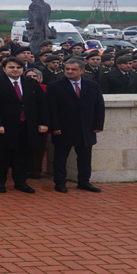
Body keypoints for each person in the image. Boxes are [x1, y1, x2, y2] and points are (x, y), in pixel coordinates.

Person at [0, 57, 48, 193]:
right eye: (11, 67)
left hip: (27, 126)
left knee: (24, 157)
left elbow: (42, 104)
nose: (15, 70)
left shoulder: (31, 83)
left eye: (18, 67)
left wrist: (43, 122)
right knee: (2, 157)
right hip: (4, 127)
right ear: (4, 69)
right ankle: (0, 183)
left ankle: (20, 182)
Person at [46, 58, 105, 193]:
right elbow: (51, 109)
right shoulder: (54, 86)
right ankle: (60, 182)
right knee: (60, 158)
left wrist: (98, 125)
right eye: (67, 69)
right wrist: (55, 126)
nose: (70, 71)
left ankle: (84, 182)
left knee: (85, 158)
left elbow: (99, 107)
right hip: (63, 128)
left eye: (73, 69)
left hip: (86, 128)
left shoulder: (93, 85)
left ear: (82, 71)